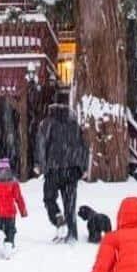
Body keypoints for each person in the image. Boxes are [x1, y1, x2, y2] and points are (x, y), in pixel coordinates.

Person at [34, 101, 88, 243]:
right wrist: (83, 167)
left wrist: (40, 164)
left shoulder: (46, 123)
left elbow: (41, 145)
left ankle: (57, 217)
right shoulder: (74, 125)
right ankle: (72, 235)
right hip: (72, 170)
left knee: (49, 198)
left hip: (54, 169)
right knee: (70, 203)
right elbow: (83, 147)